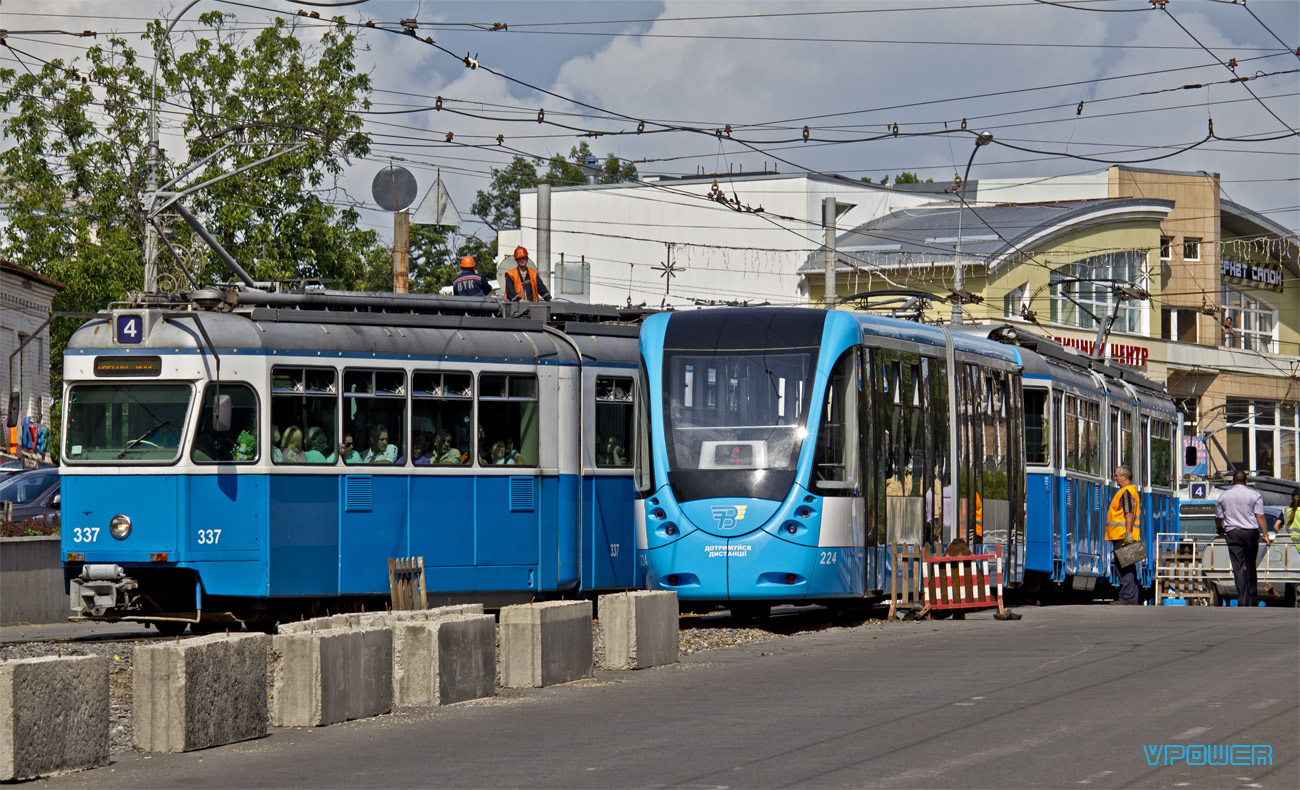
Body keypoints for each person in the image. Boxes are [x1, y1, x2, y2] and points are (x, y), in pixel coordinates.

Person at [1214, 470, 1272, 607]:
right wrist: (1265, 535)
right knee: (1251, 564)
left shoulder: (1223, 496)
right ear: (1246, 481)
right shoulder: (1254, 495)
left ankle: (1242, 599)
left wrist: (1220, 529)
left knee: (1238, 566)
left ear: (1233, 481)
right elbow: (1260, 516)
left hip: (1233, 533)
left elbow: (1218, 517)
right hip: (1251, 533)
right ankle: (1252, 598)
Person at [1106, 465, 1141, 605]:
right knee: (1127, 565)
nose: (1115, 478)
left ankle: (1127, 597)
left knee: (1125, 566)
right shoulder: (1127, 491)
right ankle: (1130, 597)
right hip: (1121, 535)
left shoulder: (1127, 492)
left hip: (1123, 535)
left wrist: (1127, 534)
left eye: (1116, 475)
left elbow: (1129, 514)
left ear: (1124, 477)